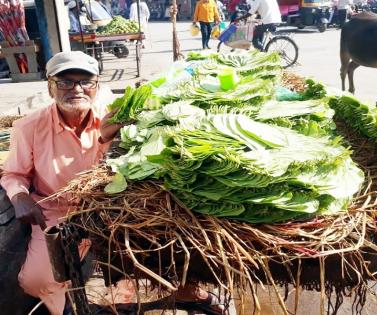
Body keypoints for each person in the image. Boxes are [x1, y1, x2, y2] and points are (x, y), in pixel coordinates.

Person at [0, 51, 227, 315]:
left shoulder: (113, 116)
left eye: (86, 82)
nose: (77, 89)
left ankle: (186, 289)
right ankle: (68, 306)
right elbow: (13, 174)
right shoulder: (28, 127)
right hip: (58, 211)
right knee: (34, 280)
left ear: (96, 86)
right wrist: (19, 197)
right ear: (50, 87)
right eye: (65, 82)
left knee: (172, 234)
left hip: (114, 207)